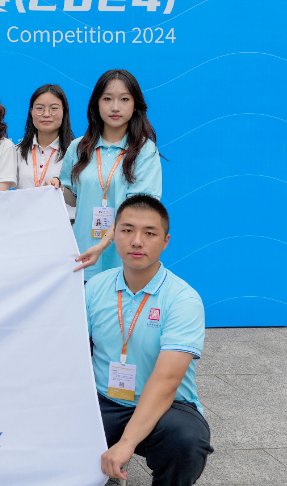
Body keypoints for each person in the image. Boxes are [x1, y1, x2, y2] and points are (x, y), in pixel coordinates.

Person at [87, 195, 212, 485]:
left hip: (167, 406)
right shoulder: (95, 287)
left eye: (150, 233)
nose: (137, 241)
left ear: (165, 241)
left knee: (185, 440)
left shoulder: (183, 299)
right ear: (114, 234)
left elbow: (168, 380)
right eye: (127, 230)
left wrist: (127, 442)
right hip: (104, 399)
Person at [49, 69, 162, 280]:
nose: (115, 107)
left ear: (135, 105)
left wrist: (102, 245)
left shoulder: (145, 151)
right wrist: (57, 187)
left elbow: (136, 210)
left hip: (124, 258)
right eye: (107, 99)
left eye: (124, 99)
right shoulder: (78, 147)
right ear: (96, 104)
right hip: (83, 256)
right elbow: (74, 198)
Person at [15, 83, 76, 220]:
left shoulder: (77, 151)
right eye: (39, 108)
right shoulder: (16, 151)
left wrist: (60, 188)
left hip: (65, 226)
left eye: (54, 108)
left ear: (64, 111)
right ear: (31, 112)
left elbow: (82, 197)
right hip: (24, 225)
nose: (46, 114)